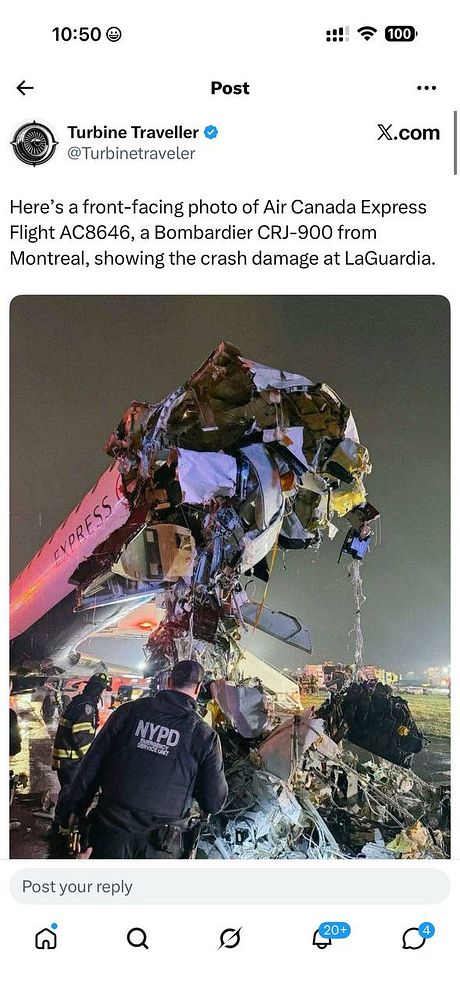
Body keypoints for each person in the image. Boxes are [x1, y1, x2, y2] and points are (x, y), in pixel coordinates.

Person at [61, 659, 228, 859]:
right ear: (199, 688)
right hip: (161, 849)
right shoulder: (204, 736)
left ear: (169, 681)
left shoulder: (127, 712)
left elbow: (90, 768)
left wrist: (73, 812)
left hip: (110, 836)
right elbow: (214, 803)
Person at [52, 668, 111, 830]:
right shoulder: (86, 706)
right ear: (99, 689)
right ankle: (63, 828)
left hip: (66, 757)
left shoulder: (80, 701)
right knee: (71, 793)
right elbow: (82, 736)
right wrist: (91, 759)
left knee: (67, 791)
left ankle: (60, 823)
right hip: (71, 759)